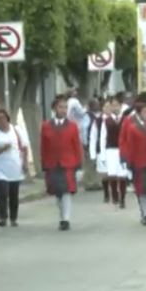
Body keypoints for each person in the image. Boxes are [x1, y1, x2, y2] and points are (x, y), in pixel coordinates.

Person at [40, 95, 83, 231]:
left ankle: (66, 219)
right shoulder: (46, 126)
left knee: (66, 191)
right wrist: (44, 164)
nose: (63, 110)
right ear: (54, 109)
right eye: (60, 107)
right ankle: (61, 215)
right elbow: (43, 147)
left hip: (68, 163)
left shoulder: (72, 126)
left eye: (65, 107)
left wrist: (79, 165)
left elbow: (77, 146)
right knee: (58, 192)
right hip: (52, 164)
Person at [0, 109, 29, 227]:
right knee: (2, 192)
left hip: (15, 167)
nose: (1, 121)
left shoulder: (16, 130)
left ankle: (14, 217)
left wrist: (25, 163)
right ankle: (3, 216)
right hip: (0, 168)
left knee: (13, 194)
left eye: (3, 118)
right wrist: (2, 149)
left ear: (7, 119)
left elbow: (24, 147)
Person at [97, 97, 129, 208]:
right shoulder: (106, 121)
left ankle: (122, 199)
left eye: (117, 105)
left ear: (121, 106)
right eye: (113, 105)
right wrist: (102, 155)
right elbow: (103, 138)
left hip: (123, 150)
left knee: (123, 175)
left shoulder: (126, 120)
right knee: (112, 174)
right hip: (110, 150)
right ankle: (115, 196)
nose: (115, 108)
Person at [89, 101, 110, 202]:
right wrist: (92, 153)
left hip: (113, 149)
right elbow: (93, 137)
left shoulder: (117, 120)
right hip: (101, 151)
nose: (108, 108)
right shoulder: (98, 121)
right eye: (106, 106)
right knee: (104, 174)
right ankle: (106, 193)